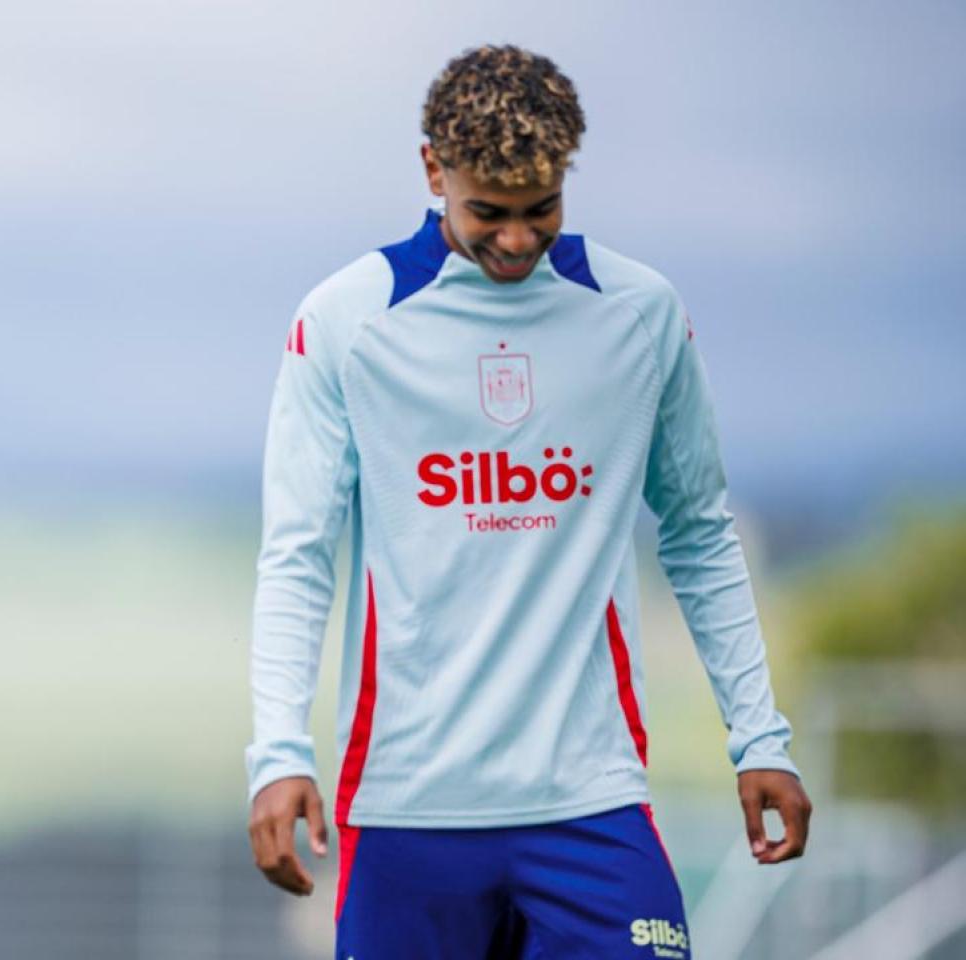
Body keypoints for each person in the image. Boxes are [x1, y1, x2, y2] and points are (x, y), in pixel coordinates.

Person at [244, 44, 810, 959]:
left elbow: (700, 533)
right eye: (489, 213)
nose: (515, 239)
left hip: (592, 802)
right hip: (404, 807)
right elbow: (297, 557)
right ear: (433, 170)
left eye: (540, 209)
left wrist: (761, 741)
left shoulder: (639, 314)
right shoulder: (347, 321)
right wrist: (277, 754)